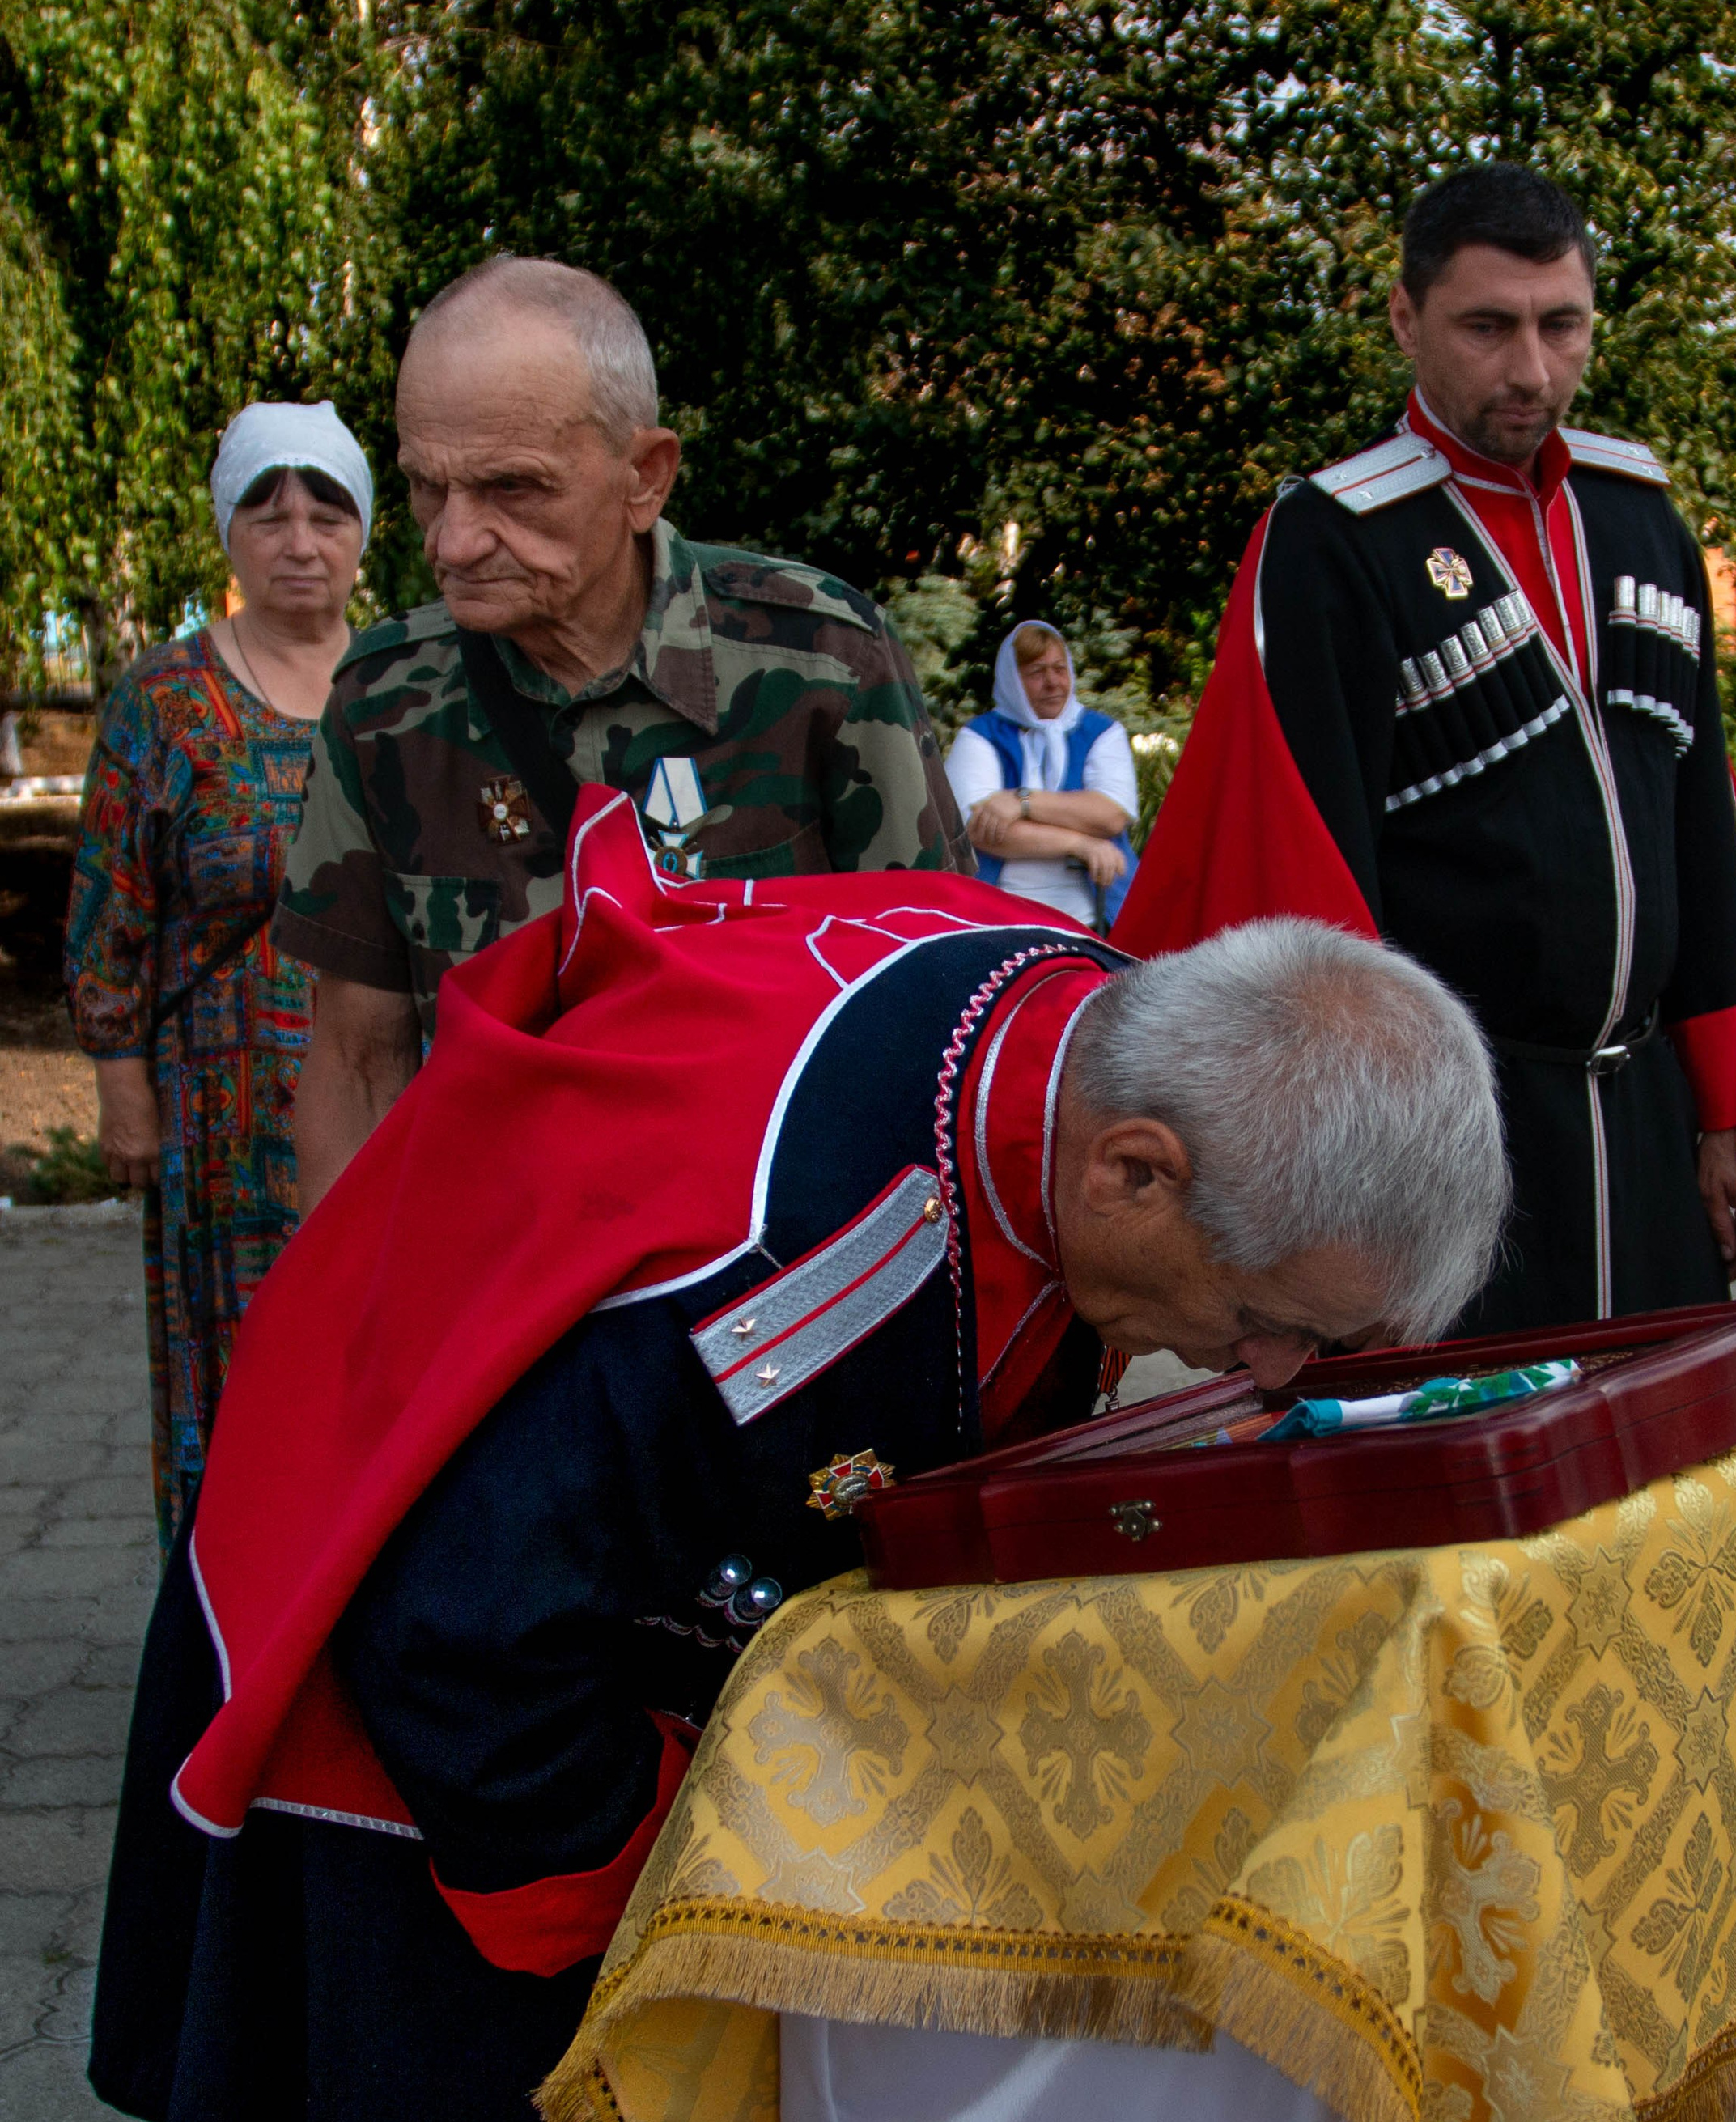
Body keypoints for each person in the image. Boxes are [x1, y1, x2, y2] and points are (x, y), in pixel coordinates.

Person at [89, 791, 1507, 2122]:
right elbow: (463, 1634)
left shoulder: (1089, 1027)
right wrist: (668, 1906)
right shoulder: (781, 1266)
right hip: (435, 1692)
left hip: (632, 1630)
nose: (1261, 1372)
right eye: (1262, 1317)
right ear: (1134, 1169)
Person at [1117, 161, 1736, 1329]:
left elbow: (1706, 838)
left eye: (1562, 327)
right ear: (1408, 319)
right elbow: (1303, 882)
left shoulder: (1639, 517)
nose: (1530, 370)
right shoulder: (1335, 541)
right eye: (1487, 327)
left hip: (1652, 1123)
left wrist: (1727, 1113)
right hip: (1458, 1145)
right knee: (1475, 1480)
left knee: (1665, 1476)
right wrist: (1345, 1180)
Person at [275, 254, 971, 1212]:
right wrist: (355, 1329)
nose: (451, 541)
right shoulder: (386, 700)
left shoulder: (821, 661)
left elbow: (940, 1008)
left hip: (769, 1279)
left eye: (512, 490)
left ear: (644, 476)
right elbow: (358, 1060)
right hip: (506, 1273)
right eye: (426, 487)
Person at [64, 402, 373, 1550]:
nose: (300, 538)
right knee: (234, 1372)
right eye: (269, 511)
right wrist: (120, 1082)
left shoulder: (403, 686)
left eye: (326, 511)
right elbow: (109, 903)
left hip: (390, 1100)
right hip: (223, 1113)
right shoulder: (167, 701)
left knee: (373, 1362)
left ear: (363, 533)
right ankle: (221, 1649)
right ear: (229, 534)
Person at [947, 621, 1138, 929]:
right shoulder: (979, 737)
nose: (1052, 682)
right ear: (1012, 679)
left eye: (1059, 669)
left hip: (1096, 915)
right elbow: (977, 831)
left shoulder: (1102, 732)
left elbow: (1111, 815)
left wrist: (1021, 802)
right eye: (1036, 672)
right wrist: (1081, 843)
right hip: (998, 918)